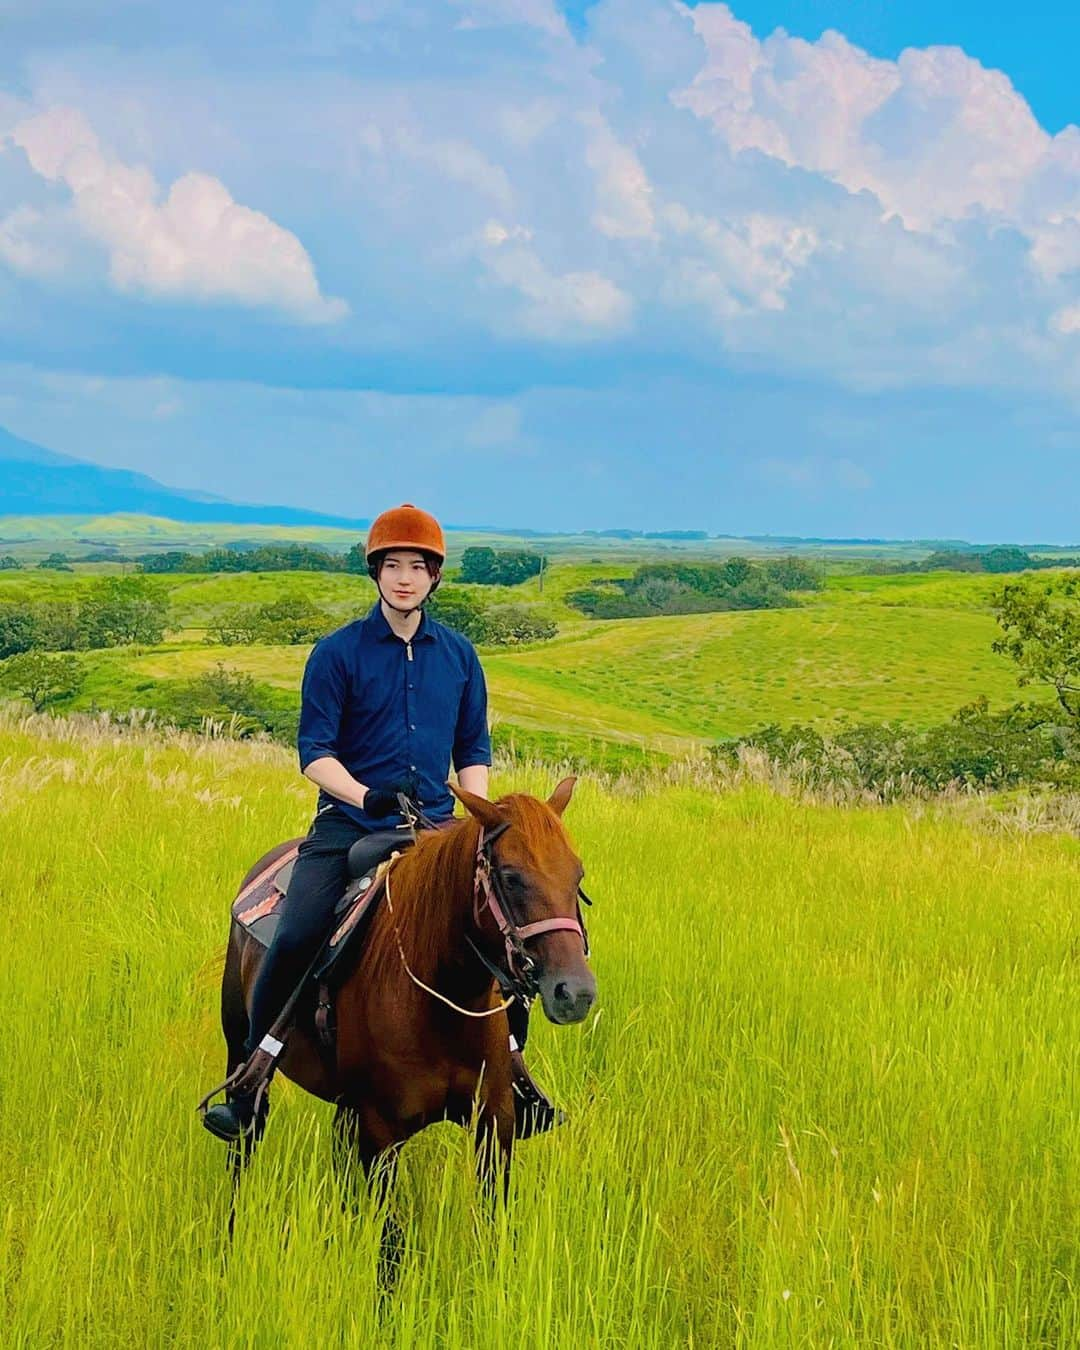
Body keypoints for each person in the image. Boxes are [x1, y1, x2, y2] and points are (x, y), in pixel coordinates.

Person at [203, 503, 560, 1141]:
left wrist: (480, 822)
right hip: (349, 826)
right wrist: (366, 797)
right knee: (299, 933)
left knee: (506, 933)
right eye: (392, 565)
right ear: (375, 573)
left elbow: (472, 750)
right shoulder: (337, 653)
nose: (404, 578)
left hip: (441, 830)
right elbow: (314, 753)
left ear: (434, 578)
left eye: (416, 567)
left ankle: (513, 1071)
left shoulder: (459, 656)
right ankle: (253, 1075)